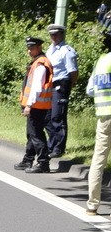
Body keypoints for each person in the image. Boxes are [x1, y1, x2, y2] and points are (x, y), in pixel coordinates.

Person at [14, 36, 54, 174]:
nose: (29, 51)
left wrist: (29, 105)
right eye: (28, 48)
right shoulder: (38, 62)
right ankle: (28, 159)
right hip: (38, 106)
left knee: (36, 135)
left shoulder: (41, 64)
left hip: (37, 106)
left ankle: (43, 162)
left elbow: (37, 87)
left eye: (31, 48)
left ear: (39, 47)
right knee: (32, 134)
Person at [84, 33, 111, 215]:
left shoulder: (101, 61)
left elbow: (90, 90)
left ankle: (92, 205)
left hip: (104, 116)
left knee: (98, 159)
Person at [43, 24, 78, 158]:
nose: (53, 37)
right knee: (47, 118)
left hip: (61, 84)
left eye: (56, 34)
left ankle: (58, 148)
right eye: (51, 34)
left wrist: (70, 85)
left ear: (62, 34)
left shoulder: (66, 51)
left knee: (57, 117)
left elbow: (73, 72)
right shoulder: (50, 50)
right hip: (49, 85)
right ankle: (51, 145)